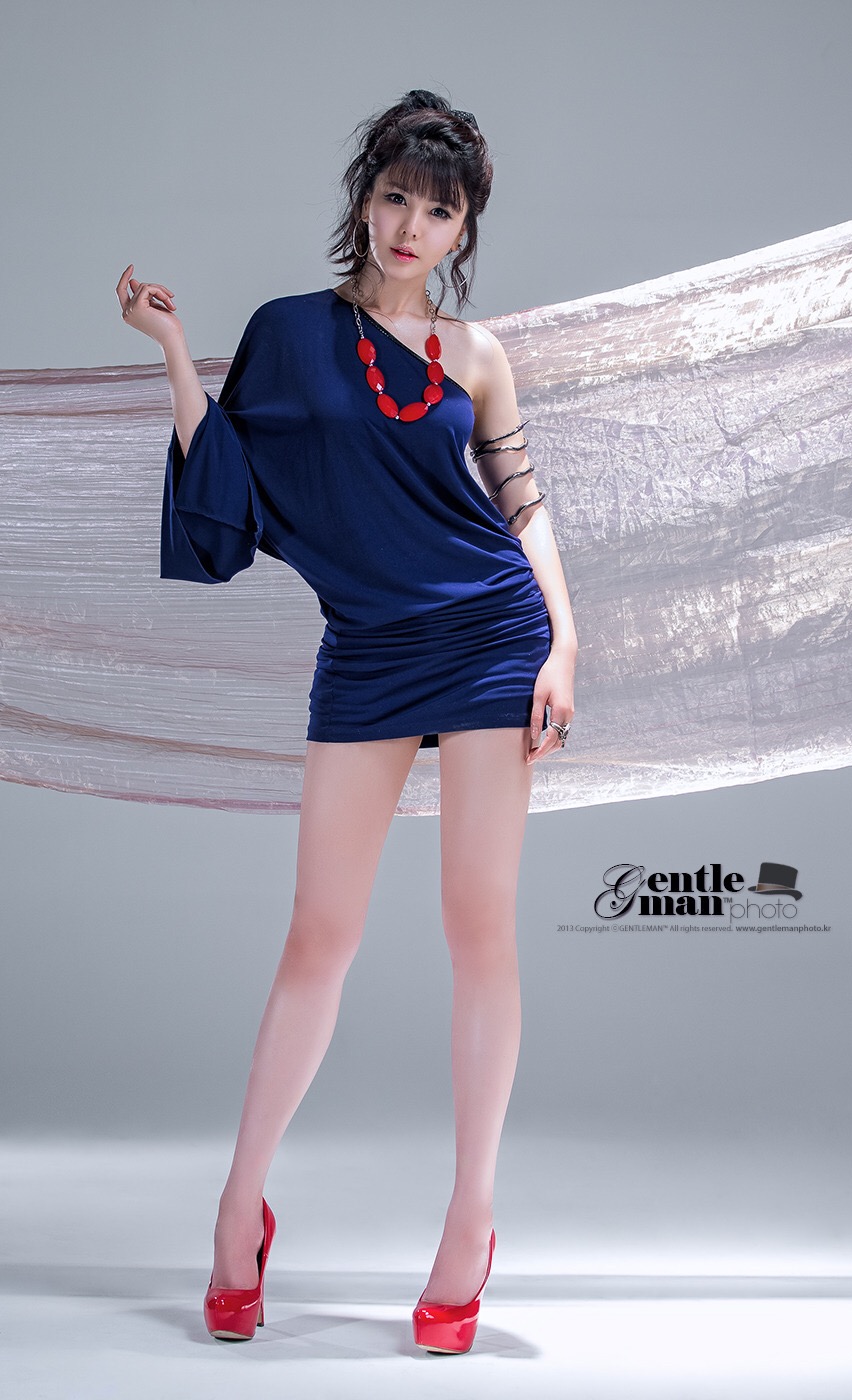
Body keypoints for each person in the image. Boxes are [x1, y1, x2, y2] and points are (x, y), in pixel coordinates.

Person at [116, 87, 577, 1355]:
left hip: (490, 635)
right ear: (363, 201)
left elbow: (524, 508)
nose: (411, 226)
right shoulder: (287, 333)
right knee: (319, 931)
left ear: (463, 229)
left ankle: (470, 1219)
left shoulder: (476, 355)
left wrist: (565, 640)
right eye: (395, 197)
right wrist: (173, 350)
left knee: (477, 925)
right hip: (369, 649)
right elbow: (229, 475)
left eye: (440, 211)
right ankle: (237, 1206)